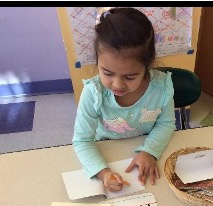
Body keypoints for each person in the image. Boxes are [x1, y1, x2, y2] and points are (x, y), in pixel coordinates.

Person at [72, 7, 176, 192]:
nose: (117, 84)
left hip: (144, 144)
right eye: (107, 73)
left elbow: (166, 124)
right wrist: (103, 173)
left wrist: (149, 151)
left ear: (147, 65)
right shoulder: (93, 93)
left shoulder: (161, 88)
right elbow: (82, 141)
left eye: (130, 77)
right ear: (98, 62)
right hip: (107, 147)